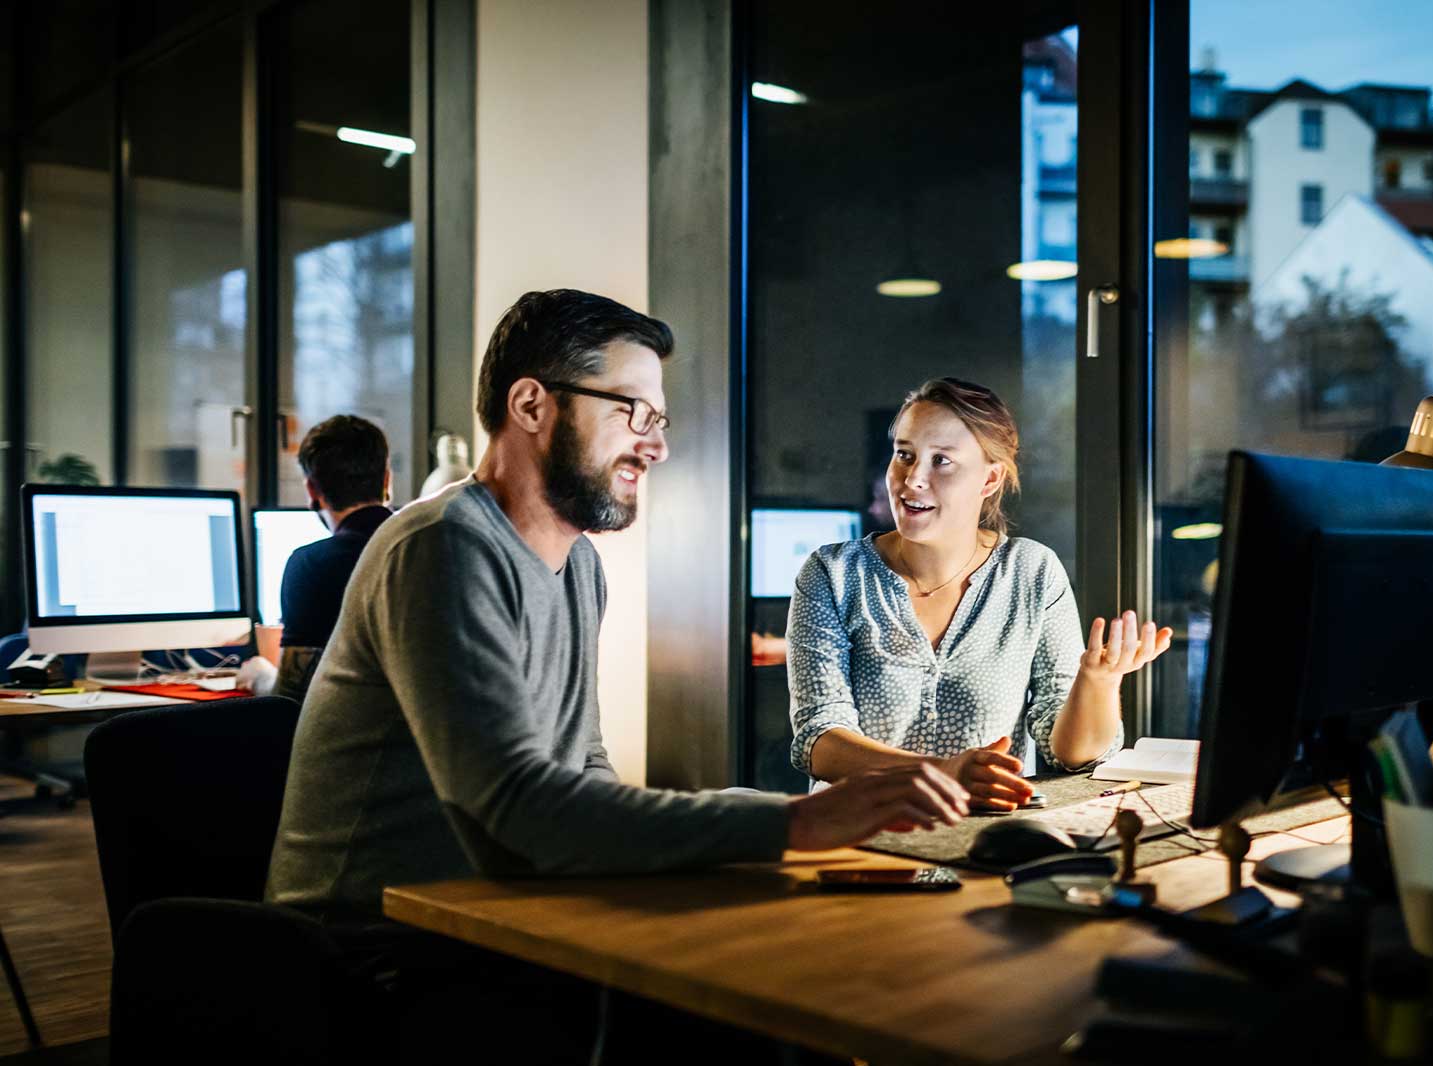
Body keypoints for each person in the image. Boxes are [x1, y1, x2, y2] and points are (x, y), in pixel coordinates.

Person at [263, 291, 967, 1058]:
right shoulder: (440, 547)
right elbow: (518, 812)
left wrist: (769, 832)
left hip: (504, 921)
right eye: (632, 412)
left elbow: (583, 769)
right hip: (374, 957)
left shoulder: (578, 568)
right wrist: (794, 823)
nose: (655, 447)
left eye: (658, 420)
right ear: (531, 405)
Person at [788, 377, 1172, 810]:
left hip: (987, 834)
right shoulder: (833, 573)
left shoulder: (1032, 571)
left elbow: (1070, 755)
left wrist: (1098, 682)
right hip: (856, 832)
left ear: (989, 479)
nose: (913, 478)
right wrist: (942, 774)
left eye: (942, 461)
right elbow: (819, 741)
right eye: (905, 455)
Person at [268, 414, 395, 704]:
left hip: (351, 728)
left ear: (311, 490)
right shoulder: (423, 546)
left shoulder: (311, 565)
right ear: (387, 480)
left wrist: (260, 676)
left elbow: (291, 698)